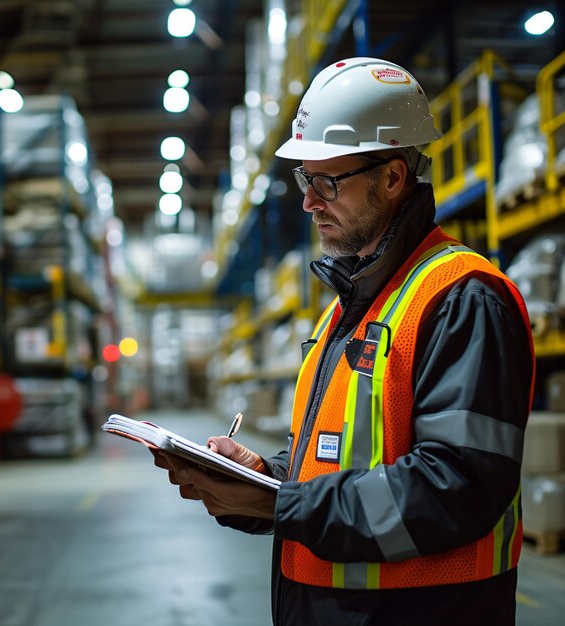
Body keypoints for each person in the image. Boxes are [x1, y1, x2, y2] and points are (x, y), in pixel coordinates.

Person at [152, 57, 535, 626]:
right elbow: (342, 463)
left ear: (392, 177)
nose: (309, 201)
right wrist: (262, 473)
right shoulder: (353, 307)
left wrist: (282, 504)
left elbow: (460, 486)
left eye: (327, 181)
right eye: (305, 180)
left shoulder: (461, 299)